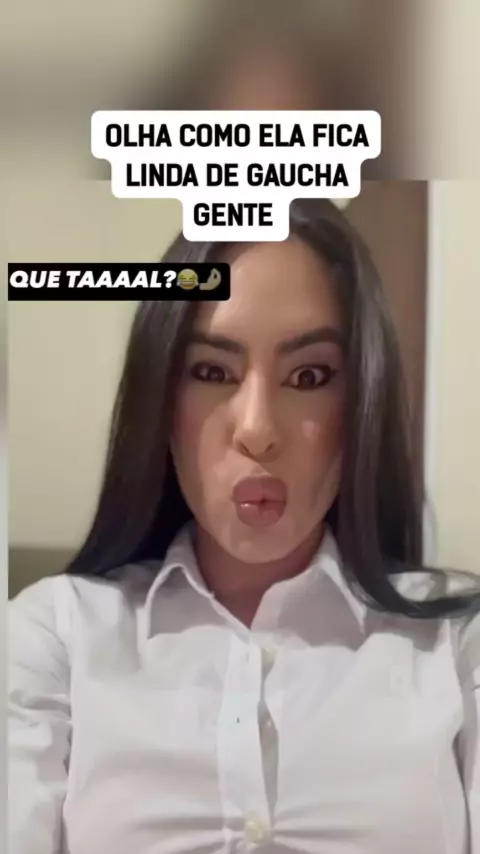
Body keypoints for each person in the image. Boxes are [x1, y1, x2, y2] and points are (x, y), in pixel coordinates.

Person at [9, 199, 480, 854]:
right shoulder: (55, 637)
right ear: (159, 400)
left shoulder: (455, 642)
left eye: (309, 376)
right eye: (211, 372)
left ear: (361, 405)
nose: (257, 429)